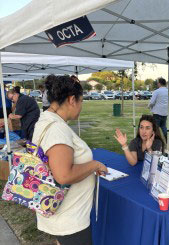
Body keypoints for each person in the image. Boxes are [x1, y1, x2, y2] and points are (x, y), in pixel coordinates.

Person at [32, 75, 107, 245]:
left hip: (63, 215)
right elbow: (64, 176)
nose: (81, 108)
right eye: (81, 102)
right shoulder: (57, 129)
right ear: (72, 100)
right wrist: (93, 165)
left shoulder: (47, 120)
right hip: (70, 220)